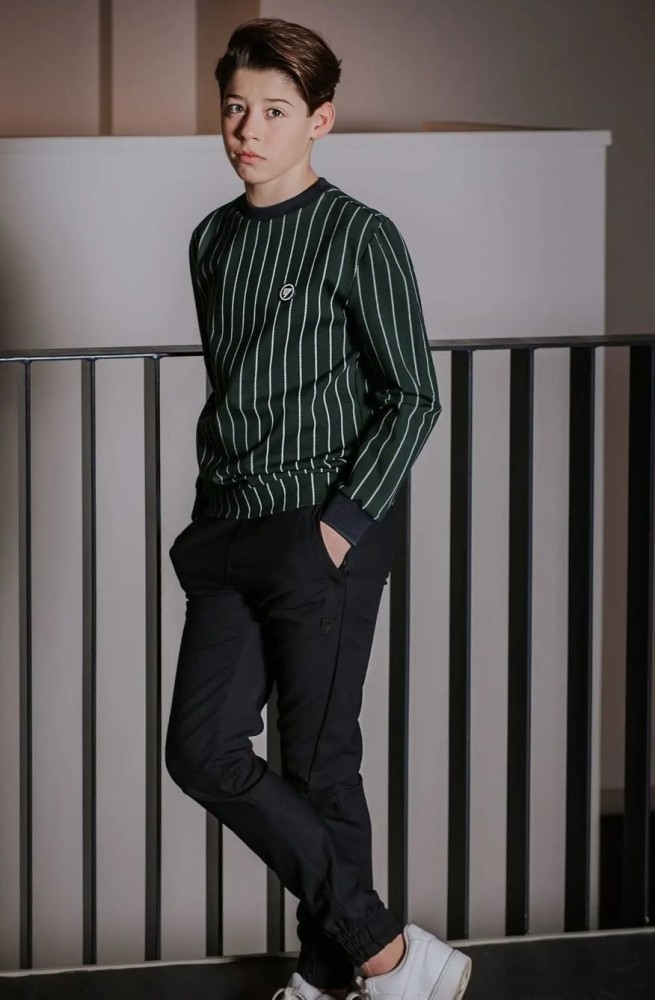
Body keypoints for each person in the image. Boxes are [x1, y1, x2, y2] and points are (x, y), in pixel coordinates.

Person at [165, 16, 471, 1000]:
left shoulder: (359, 235)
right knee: (202, 752)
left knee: (320, 762)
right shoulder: (212, 239)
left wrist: (337, 526)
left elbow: (411, 395)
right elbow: (237, 387)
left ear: (319, 120)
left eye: (274, 111)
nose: (247, 129)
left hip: (320, 531)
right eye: (235, 108)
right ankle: (387, 958)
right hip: (226, 531)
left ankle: (335, 975)